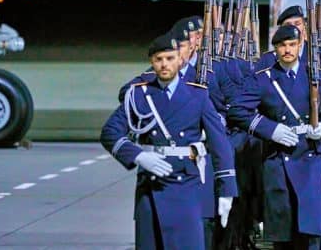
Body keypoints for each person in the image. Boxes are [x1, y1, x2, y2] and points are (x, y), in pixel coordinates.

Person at [101, 33, 237, 249]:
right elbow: (110, 133)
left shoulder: (198, 95)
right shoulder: (139, 95)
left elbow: (220, 144)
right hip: (151, 186)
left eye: (170, 58)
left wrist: (227, 190)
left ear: (180, 60)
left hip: (187, 183)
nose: (164, 64)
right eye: (159, 59)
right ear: (151, 62)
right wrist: (139, 155)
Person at [228, 25, 321, 249]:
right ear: (275, 48)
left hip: (310, 157)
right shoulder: (263, 79)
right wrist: (270, 129)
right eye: (282, 45)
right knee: (282, 231)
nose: (287, 50)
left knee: (311, 230)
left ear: (300, 45)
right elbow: (237, 110)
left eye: (292, 45)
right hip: (278, 160)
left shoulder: (314, 75)